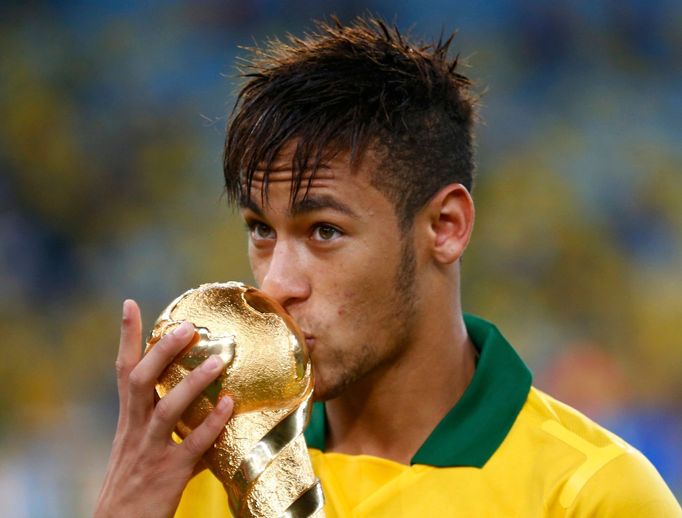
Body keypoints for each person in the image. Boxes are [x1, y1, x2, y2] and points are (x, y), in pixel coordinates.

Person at [95, 16, 681, 517]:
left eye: (324, 231)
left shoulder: (592, 495)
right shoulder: (200, 477)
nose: (275, 285)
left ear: (445, 227)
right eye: (261, 231)